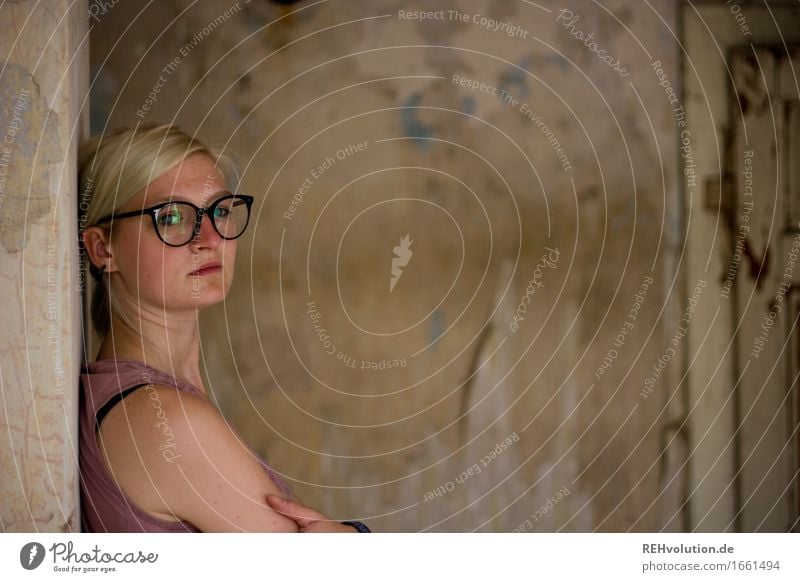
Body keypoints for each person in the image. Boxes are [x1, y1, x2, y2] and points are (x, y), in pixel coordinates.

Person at [78, 124, 369, 533]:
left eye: (219, 210)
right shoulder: (170, 423)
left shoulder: (141, 397)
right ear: (103, 248)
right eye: (173, 217)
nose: (210, 238)